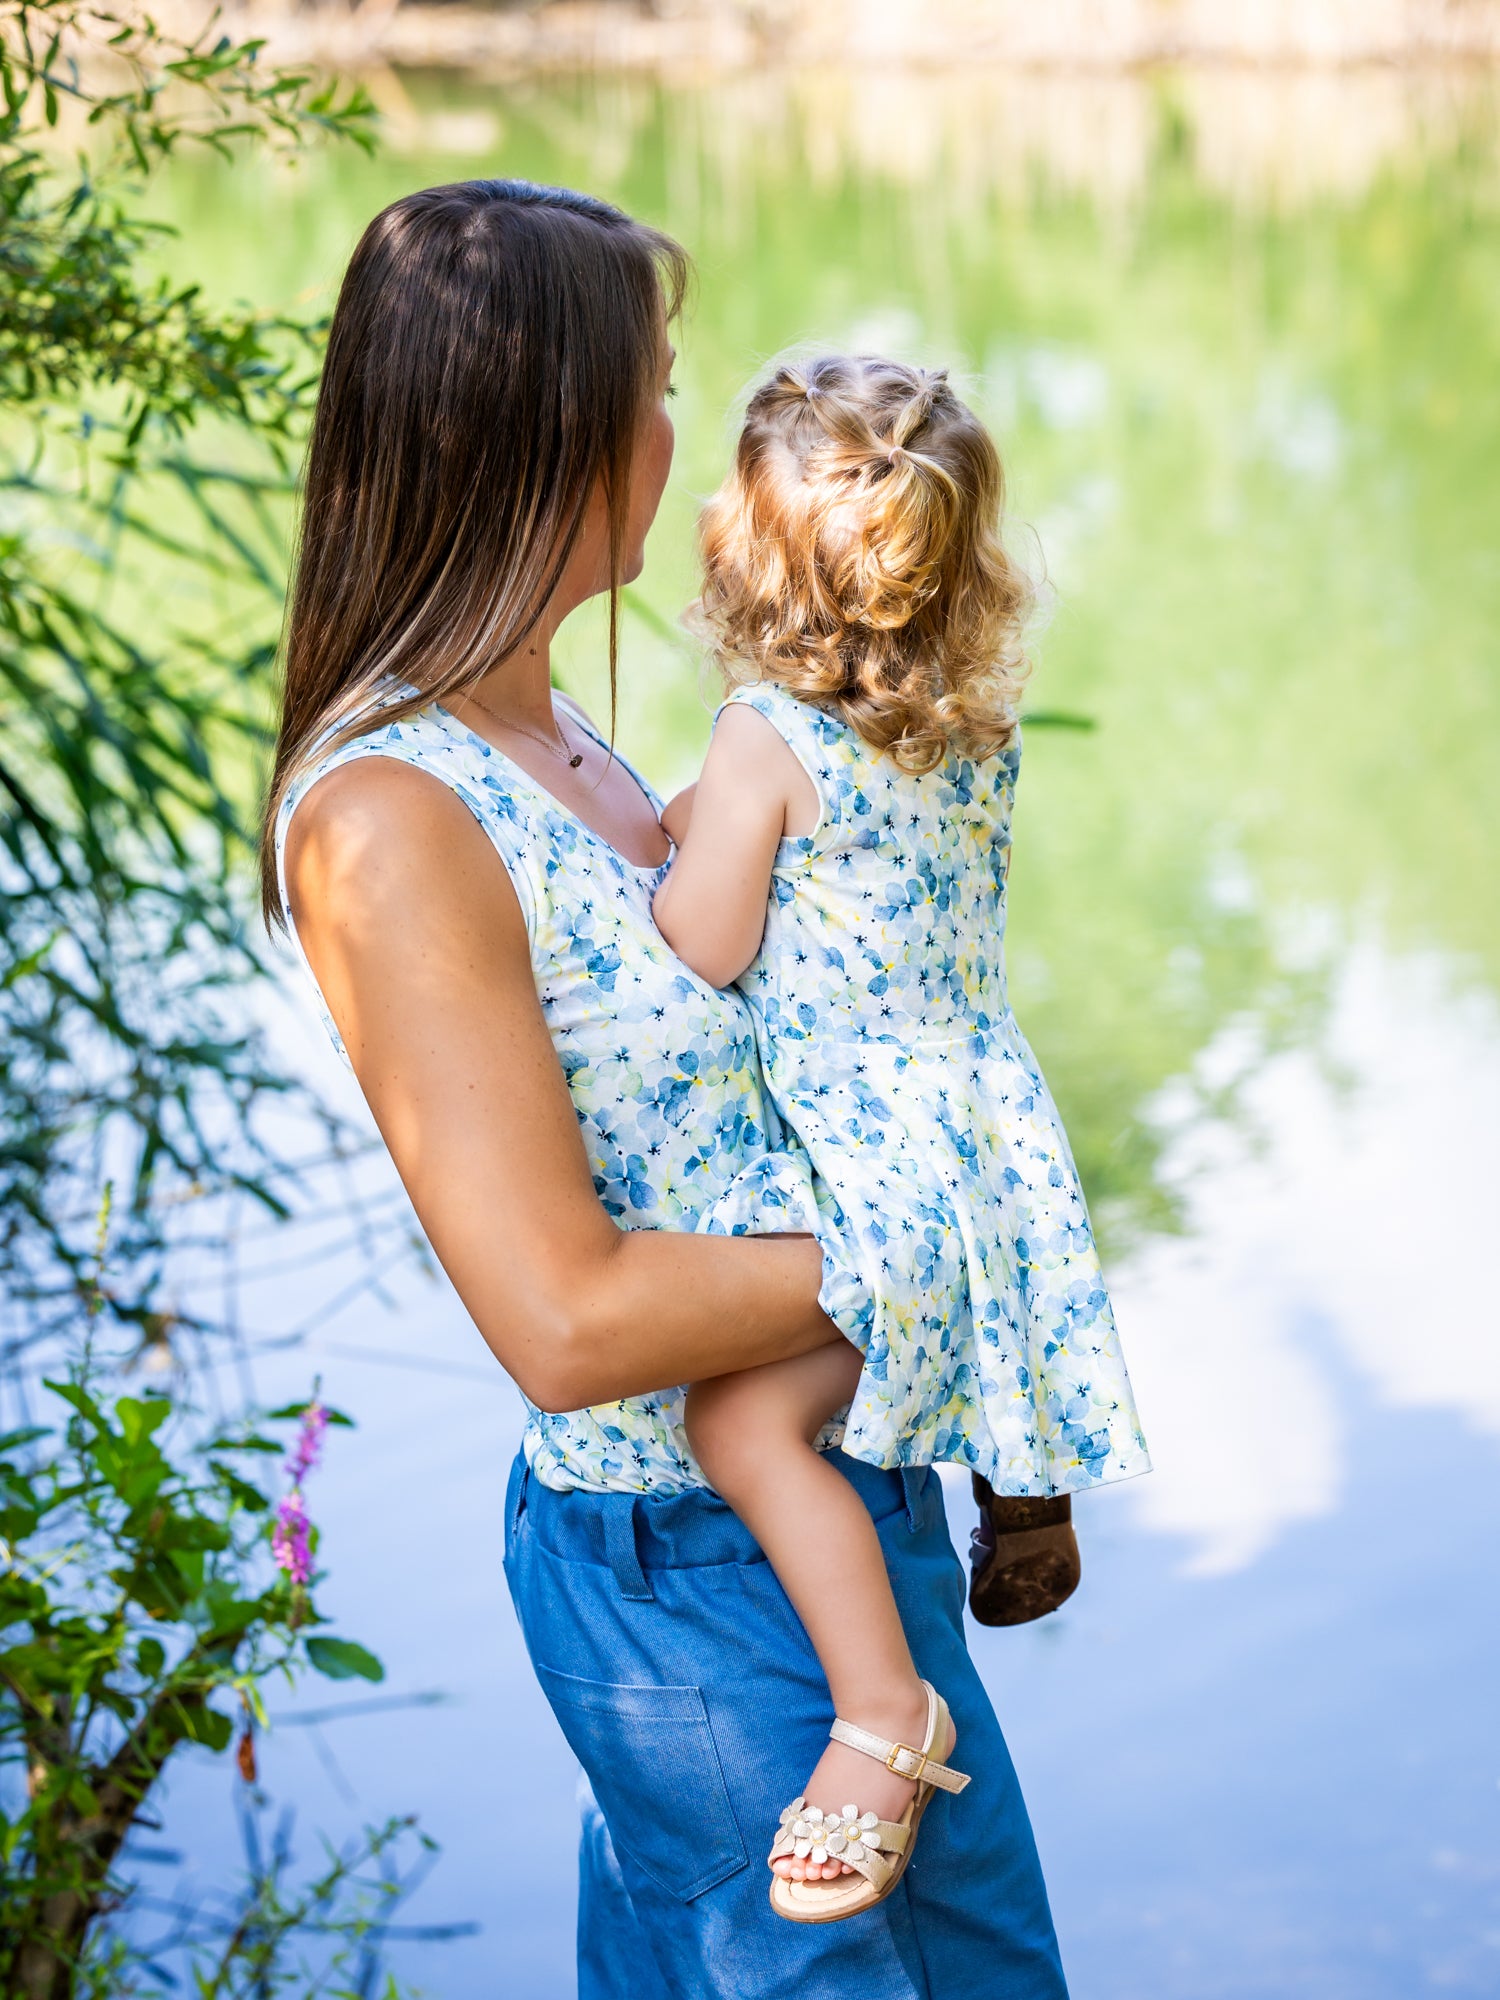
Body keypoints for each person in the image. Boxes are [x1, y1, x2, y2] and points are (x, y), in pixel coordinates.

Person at [264, 179, 1069, 1997]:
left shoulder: (570, 743)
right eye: (656, 387)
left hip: (839, 1495)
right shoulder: (393, 816)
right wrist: (939, 1254)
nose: (674, 431)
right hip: (685, 1559)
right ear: (548, 431)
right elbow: (562, 1320)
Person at [652, 354, 1150, 1923]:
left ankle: (885, 1708)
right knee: (910, 1338)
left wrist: (667, 852)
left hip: (868, 1165)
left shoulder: (759, 741)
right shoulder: (979, 736)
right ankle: (1020, 1478)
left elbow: (710, 943)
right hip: (980, 1140)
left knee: (741, 1425)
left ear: (745, 555)